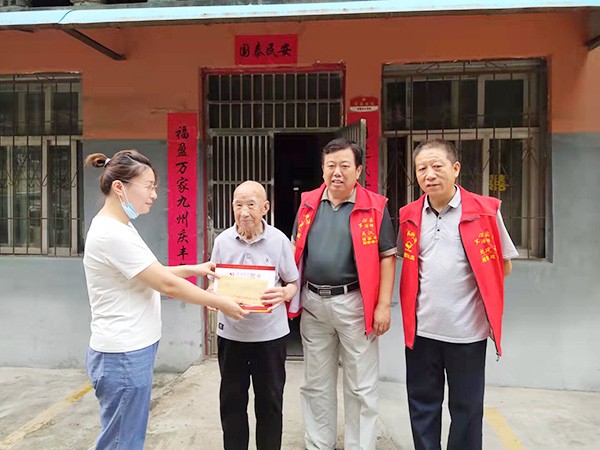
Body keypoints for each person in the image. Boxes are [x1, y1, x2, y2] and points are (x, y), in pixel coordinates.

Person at [83, 149, 248, 450]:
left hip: (131, 349)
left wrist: (194, 269)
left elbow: (151, 272)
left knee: (127, 437)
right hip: (123, 353)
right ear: (119, 187)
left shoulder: (120, 226)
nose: (154, 195)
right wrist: (219, 302)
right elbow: (165, 284)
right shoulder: (111, 233)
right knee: (121, 441)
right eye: (148, 186)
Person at [397, 139, 519, 450]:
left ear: (455, 169)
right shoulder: (409, 215)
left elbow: (502, 267)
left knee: (467, 409)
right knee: (422, 405)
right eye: (422, 168)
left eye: (437, 166)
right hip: (422, 332)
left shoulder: (485, 211)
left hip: (467, 333)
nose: (429, 174)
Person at [290, 137, 397, 450]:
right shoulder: (308, 203)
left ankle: (359, 445)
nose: (337, 172)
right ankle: (318, 444)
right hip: (313, 303)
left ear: (358, 170)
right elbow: (295, 248)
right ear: (323, 168)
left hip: (355, 304)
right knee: (315, 383)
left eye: (345, 166)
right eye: (331, 165)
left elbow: (387, 258)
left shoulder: (375, 206)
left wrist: (383, 305)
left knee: (361, 385)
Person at [209, 180, 299, 450]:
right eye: (238, 205)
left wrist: (284, 293)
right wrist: (213, 296)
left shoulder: (279, 240)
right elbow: (214, 282)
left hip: (270, 336)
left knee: (270, 402)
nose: (244, 212)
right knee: (232, 402)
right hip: (231, 335)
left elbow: (293, 282)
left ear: (265, 207)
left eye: (251, 204)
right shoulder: (222, 241)